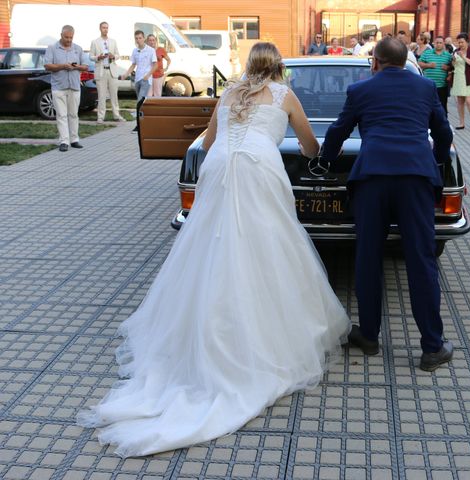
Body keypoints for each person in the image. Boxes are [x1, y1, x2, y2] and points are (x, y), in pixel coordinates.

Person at [77, 42, 350, 457]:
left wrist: (232, 144)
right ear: (278, 67)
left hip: (221, 166)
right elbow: (310, 146)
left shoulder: (228, 93)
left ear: (247, 65)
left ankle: (204, 318)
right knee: (268, 240)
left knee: (211, 239)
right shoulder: (284, 95)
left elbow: (206, 144)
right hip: (260, 170)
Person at [320, 36, 454, 372]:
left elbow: (338, 131)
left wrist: (324, 161)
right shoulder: (425, 88)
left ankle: (368, 336)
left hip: (373, 179)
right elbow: (444, 133)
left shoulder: (361, 91)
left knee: (368, 255)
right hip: (415, 178)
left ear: (374, 62)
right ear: (406, 60)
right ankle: (432, 347)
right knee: (421, 259)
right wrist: (435, 162)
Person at [43, 25, 88, 152]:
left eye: (71, 37)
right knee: (61, 115)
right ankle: (64, 141)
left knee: (73, 114)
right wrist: (62, 66)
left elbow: (85, 66)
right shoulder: (52, 48)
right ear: (61, 35)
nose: (68, 40)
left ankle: (74, 139)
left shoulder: (78, 49)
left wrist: (75, 67)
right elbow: (47, 65)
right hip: (59, 86)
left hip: (74, 86)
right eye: (66, 37)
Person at [89, 22, 124, 123]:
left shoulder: (113, 41)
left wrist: (113, 56)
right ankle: (100, 116)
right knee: (101, 95)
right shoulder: (95, 42)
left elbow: (118, 55)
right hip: (101, 70)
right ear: (100, 28)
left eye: (107, 28)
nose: (105, 29)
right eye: (104, 28)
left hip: (111, 69)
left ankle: (116, 115)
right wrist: (98, 57)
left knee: (114, 94)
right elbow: (90, 56)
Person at [451, 32, 470, 131]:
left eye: (462, 42)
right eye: (458, 42)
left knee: (468, 100)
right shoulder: (456, 51)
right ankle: (461, 123)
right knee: (460, 101)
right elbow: (454, 65)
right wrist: (453, 60)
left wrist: (463, 56)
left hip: (469, 78)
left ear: (467, 42)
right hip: (458, 78)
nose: (460, 44)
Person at [419, 36, 452, 114]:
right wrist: (429, 65)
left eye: (440, 43)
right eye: (437, 42)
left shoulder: (448, 55)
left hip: (442, 86)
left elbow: (452, 67)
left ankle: (443, 123)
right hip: (428, 85)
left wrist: (448, 68)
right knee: (427, 105)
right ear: (434, 43)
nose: (438, 44)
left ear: (443, 44)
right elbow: (419, 63)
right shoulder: (427, 53)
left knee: (442, 106)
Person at [120, 30, 157, 101]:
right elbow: (133, 65)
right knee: (141, 100)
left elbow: (155, 65)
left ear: (144, 38)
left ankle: (139, 112)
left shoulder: (151, 50)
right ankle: (141, 112)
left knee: (140, 99)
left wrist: (148, 75)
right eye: (136, 38)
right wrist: (125, 74)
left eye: (140, 38)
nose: (138, 40)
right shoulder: (135, 50)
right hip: (137, 79)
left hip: (146, 79)